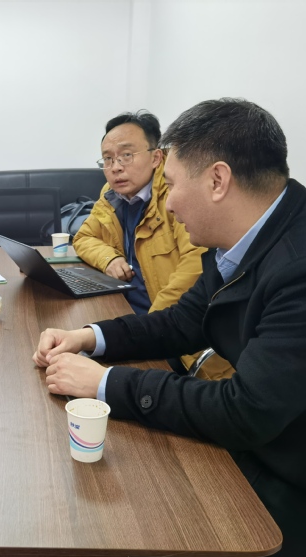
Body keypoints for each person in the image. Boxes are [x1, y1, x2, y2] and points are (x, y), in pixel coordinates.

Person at [33, 99, 306, 557]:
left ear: (217, 180)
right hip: (275, 444)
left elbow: (245, 412)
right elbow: (185, 321)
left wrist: (104, 383)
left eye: (172, 184)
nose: (167, 204)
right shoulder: (252, 231)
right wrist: (92, 337)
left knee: (153, 548)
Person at [73, 110, 231, 379]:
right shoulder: (112, 194)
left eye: (126, 155)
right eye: (108, 159)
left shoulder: (177, 194)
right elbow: (84, 237)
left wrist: (143, 330)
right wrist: (110, 258)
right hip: (127, 314)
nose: (116, 167)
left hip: (170, 336)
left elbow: (195, 268)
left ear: (156, 157)